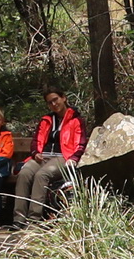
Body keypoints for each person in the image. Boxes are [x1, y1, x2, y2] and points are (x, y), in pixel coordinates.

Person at [16, 88, 84, 223]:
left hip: (63, 157)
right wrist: (36, 153)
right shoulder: (46, 120)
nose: (54, 104)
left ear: (63, 98)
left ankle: (33, 219)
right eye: (50, 102)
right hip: (43, 156)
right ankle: (18, 219)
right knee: (24, 173)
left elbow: (81, 143)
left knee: (42, 175)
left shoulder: (76, 120)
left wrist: (74, 158)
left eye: (55, 100)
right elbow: (36, 140)